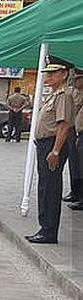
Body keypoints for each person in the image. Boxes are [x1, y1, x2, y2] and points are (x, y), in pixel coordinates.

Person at [26, 57, 74, 245]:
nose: (48, 76)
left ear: (64, 74)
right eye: (48, 73)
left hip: (53, 145)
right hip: (46, 144)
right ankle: (44, 228)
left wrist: (55, 151)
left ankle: (48, 231)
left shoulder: (64, 95)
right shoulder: (54, 94)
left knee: (50, 188)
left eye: (53, 73)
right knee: (45, 186)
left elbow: (64, 126)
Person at [66, 71, 83, 209]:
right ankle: (75, 192)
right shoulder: (74, 91)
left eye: (77, 79)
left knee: (80, 165)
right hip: (74, 129)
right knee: (74, 164)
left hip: (78, 131)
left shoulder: (79, 93)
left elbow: (75, 107)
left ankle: (80, 196)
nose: (74, 82)